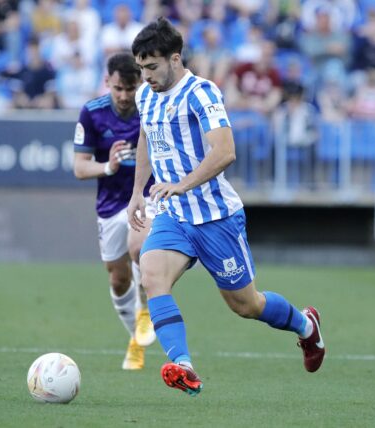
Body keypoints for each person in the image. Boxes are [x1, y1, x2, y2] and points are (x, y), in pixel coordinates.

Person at [126, 18, 325, 396]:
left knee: (246, 305)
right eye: (141, 68)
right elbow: (146, 138)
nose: (146, 76)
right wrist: (138, 190)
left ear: (175, 58)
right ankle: (183, 366)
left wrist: (181, 185)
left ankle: (306, 326)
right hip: (174, 213)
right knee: (152, 275)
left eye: (152, 67)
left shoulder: (202, 94)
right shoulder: (145, 95)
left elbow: (225, 152)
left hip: (216, 216)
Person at [73, 52, 156, 370]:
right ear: (107, 82)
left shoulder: (152, 109)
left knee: (142, 252)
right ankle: (136, 338)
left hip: (148, 198)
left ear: (141, 83)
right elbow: (79, 168)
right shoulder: (92, 113)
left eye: (130, 88)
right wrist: (109, 165)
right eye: (118, 88)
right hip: (110, 205)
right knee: (118, 279)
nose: (124, 96)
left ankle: (146, 310)